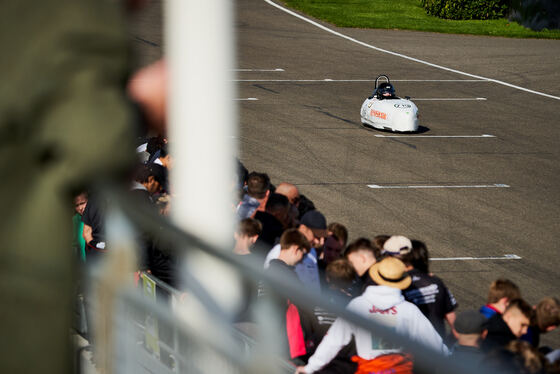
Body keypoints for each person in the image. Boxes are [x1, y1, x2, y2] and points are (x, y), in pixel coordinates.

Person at [296, 257, 448, 374]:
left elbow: (334, 341)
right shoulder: (409, 311)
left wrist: (310, 368)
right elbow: (436, 345)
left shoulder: (359, 305)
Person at [259, 229, 314, 363]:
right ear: (296, 249)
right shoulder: (289, 277)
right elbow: (307, 304)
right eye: (303, 254)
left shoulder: (268, 270)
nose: (302, 261)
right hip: (278, 341)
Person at [400, 240, 458, 340]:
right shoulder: (437, 282)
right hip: (437, 348)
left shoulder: (400, 285)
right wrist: (446, 346)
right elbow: (456, 327)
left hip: (410, 348)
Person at [264, 210, 328, 293]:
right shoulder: (280, 252)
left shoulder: (312, 252)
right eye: (316, 236)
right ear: (303, 228)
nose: (320, 242)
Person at [72, 191, 88, 263]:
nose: (80, 208)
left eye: (82, 203)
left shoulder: (98, 217)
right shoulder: (74, 221)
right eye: (77, 205)